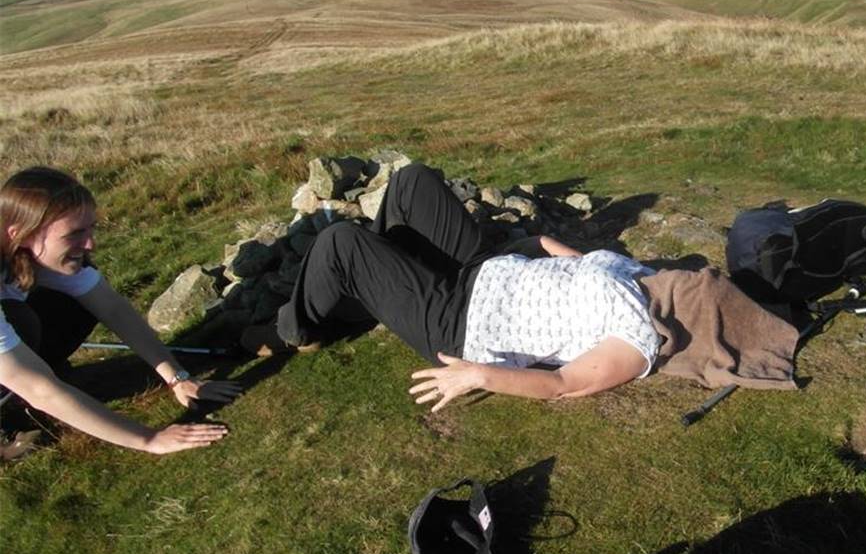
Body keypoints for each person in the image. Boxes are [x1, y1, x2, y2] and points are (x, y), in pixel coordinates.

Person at [242, 162, 661, 413]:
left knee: (341, 242)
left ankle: (293, 331)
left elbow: (563, 385)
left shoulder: (637, 337)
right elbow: (576, 264)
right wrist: (533, 246)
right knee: (412, 180)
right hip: (484, 270)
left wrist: (478, 375)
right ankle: (374, 286)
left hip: (462, 324)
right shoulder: (637, 273)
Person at [0, 167, 237, 456]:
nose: (90, 243)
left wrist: (178, 378)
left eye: (91, 229)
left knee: (76, 302)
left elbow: (112, 308)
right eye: (75, 234)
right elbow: (40, 389)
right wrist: (149, 440)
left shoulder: (32, 251)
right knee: (22, 324)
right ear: (21, 234)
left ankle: (23, 379)